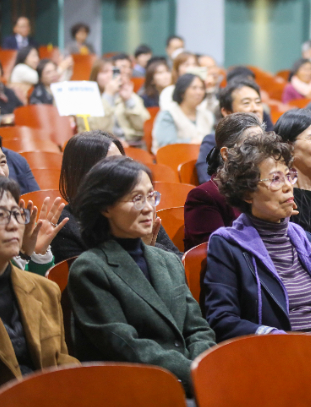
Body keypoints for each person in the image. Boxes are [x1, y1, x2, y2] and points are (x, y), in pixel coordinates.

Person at [202, 133, 311, 342]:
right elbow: (221, 319)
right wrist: (275, 337)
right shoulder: (228, 245)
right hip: (279, 359)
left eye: (289, 176)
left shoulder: (306, 240)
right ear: (247, 192)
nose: (288, 186)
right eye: (275, 179)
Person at [67, 157, 216, 393]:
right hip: (136, 389)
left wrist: (202, 368)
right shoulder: (90, 269)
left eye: (151, 196)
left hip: (191, 379)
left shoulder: (167, 260)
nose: (148, 207)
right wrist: (195, 372)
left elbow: (198, 329)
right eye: (137, 198)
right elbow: (127, 346)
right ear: (106, 207)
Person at [52, 131, 179, 264]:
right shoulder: (66, 225)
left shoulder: (138, 208)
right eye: (111, 165)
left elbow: (178, 261)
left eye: (121, 163)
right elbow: (87, 279)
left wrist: (146, 249)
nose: (121, 171)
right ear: (85, 174)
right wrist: (137, 249)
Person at [0, 176, 78, 387]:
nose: (13, 224)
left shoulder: (46, 290)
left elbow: (62, 363)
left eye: (16, 214)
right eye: (0, 215)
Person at [184, 113, 264, 249]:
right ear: (226, 154)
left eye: (264, 144)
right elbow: (219, 251)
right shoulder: (204, 196)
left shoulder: (268, 188)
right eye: (251, 145)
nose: (261, 152)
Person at [0, 147, 65, 275]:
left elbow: (36, 288)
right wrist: (22, 255)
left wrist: (37, 254)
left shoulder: (19, 218)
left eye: (2, 162)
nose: (1, 173)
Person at [195, 77, 272, 184]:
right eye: (246, 103)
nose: (255, 108)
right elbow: (206, 179)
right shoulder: (213, 142)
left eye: (258, 102)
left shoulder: (271, 139)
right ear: (226, 112)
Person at [81, 58, 151, 146]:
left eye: (114, 72)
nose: (110, 76)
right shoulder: (86, 99)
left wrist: (128, 100)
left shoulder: (127, 94)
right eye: (105, 72)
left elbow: (144, 126)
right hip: (101, 147)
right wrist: (108, 95)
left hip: (132, 144)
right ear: (95, 76)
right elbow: (95, 130)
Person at [152, 73, 214, 153]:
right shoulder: (168, 115)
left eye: (202, 88)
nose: (199, 92)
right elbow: (166, 145)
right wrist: (190, 143)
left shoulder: (207, 115)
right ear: (182, 92)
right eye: (194, 88)